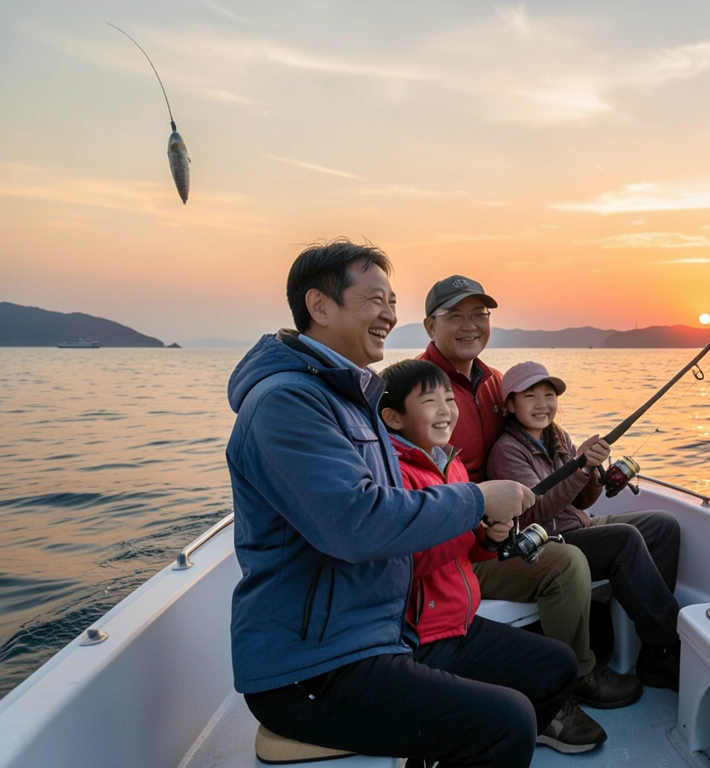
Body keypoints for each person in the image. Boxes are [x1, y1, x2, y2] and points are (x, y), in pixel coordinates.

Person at [226, 240, 573, 768]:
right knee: (506, 721)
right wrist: (477, 498)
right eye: (375, 300)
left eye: (392, 301)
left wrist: (479, 531)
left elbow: (394, 515)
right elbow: (357, 525)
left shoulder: (348, 397)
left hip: (386, 630)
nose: (390, 314)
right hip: (313, 668)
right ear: (320, 306)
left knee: (553, 669)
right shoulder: (287, 402)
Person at [419, 276, 643, 709]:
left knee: (657, 527)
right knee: (568, 561)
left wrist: (585, 467)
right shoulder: (419, 387)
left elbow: (552, 478)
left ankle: (653, 650)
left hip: (506, 531)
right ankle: (575, 678)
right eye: (455, 316)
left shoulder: (493, 382)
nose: (470, 325)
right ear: (430, 325)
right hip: (461, 547)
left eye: (479, 314)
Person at [377, 358, 605, 754]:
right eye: (430, 401)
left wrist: (487, 537)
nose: (446, 410)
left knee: (560, 663)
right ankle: (530, 720)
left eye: (449, 399)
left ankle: (540, 714)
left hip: (463, 620)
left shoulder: (451, 464)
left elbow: (470, 551)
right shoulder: (393, 473)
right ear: (393, 418)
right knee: (510, 716)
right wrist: (473, 516)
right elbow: (406, 560)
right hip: (422, 634)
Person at [488, 361, 682, 690]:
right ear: (510, 405)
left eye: (549, 395)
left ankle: (649, 646)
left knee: (664, 526)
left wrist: (592, 470)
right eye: (530, 396)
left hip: (581, 525)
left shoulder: (558, 437)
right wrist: (581, 469)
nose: (542, 404)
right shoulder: (507, 451)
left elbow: (582, 503)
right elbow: (536, 512)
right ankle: (665, 647)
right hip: (551, 541)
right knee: (625, 539)